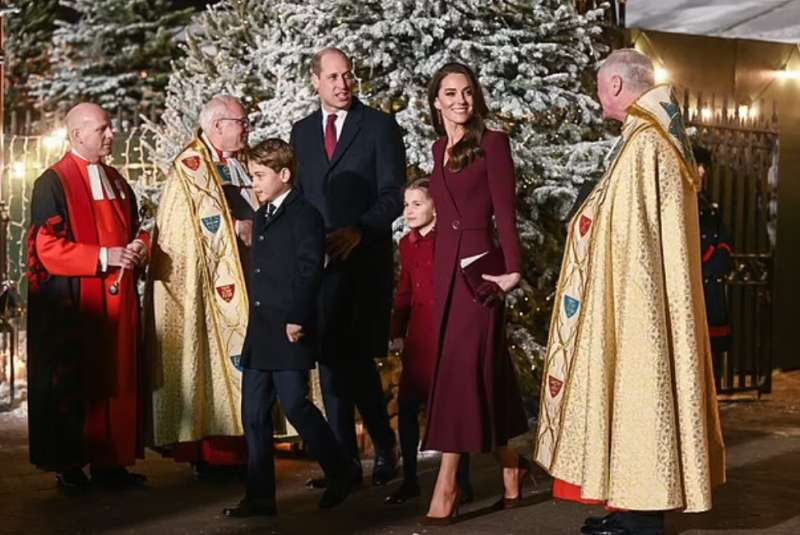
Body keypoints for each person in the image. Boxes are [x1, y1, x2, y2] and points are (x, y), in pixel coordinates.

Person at [534, 49, 726, 535]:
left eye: (600, 87)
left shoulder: (646, 144)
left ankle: (641, 517)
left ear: (616, 86)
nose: (598, 98)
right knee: (633, 396)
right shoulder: (652, 137)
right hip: (637, 294)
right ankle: (629, 506)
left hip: (639, 301)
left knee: (642, 390)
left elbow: (633, 236)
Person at [421, 63, 532, 524]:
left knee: (460, 375)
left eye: (467, 92)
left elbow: (504, 211)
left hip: (481, 277)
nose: (460, 100)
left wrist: (513, 270)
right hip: (445, 276)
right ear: (437, 102)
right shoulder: (437, 148)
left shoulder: (493, 143)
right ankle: (511, 465)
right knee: (487, 373)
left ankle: (446, 485)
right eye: (450, 93)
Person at [223, 139, 358, 517]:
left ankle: (340, 470)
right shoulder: (264, 214)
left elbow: (308, 268)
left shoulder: (305, 216)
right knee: (253, 413)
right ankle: (260, 496)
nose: (255, 183)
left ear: (284, 175)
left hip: (288, 326)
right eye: (252, 176)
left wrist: (299, 317)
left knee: (296, 403)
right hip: (262, 328)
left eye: (261, 175)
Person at [290, 47, 405, 488]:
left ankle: (384, 445)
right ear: (315, 81)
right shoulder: (301, 133)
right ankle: (343, 464)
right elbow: (300, 195)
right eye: (333, 77)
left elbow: (392, 194)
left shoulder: (378, 126)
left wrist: (359, 230)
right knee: (329, 365)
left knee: (354, 362)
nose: (342, 84)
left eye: (348, 76)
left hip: (362, 263)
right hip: (318, 266)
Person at [27, 102, 149, 488]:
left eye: (110, 127)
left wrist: (141, 247)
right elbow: (46, 248)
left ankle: (112, 463)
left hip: (118, 301)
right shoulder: (52, 183)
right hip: (78, 305)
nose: (111, 134)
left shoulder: (115, 178)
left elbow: (137, 228)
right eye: (103, 129)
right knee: (78, 385)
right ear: (77, 134)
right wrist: (102, 256)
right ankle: (72, 466)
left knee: (117, 379)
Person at [148, 95, 256, 475]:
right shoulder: (190, 168)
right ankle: (215, 455)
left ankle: (248, 446)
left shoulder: (239, 162)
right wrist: (237, 230)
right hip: (209, 288)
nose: (247, 127)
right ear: (216, 127)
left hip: (246, 277)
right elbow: (182, 235)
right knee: (213, 365)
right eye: (241, 121)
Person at [384, 179, 473, 505]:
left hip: (447, 331)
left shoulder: (450, 239)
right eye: (407, 204)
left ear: (436, 206)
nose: (409, 210)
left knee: (451, 408)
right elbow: (405, 290)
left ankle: (461, 481)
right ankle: (410, 479)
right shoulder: (407, 244)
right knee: (407, 408)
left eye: (417, 203)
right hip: (419, 336)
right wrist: (397, 330)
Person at [693, 145, 734, 381]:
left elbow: (725, 239)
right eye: (697, 166)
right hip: (692, 285)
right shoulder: (680, 201)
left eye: (703, 167)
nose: (701, 172)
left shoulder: (709, 205)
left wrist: (716, 260)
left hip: (711, 286)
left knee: (713, 351)